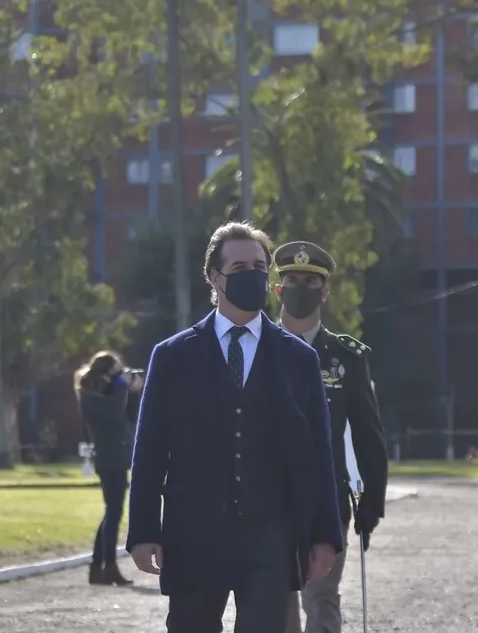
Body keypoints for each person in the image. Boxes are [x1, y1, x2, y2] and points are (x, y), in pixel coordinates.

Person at [126, 221, 344, 633]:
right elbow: (149, 450)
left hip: (270, 538)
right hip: (194, 534)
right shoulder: (173, 356)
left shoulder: (298, 359)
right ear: (214, 277)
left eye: (260, 267)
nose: (253, 275)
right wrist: (142, 530)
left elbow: (319, 453)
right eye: (240, 267)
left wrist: (324, 536)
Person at [273, 241, 388, 633]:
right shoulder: (256, 349)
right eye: (292, 280)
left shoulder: (347, 357)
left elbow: (369, 433)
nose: (300, 288)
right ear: (278, 290)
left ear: (324, 291)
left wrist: (372, 503)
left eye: (310, 282)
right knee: (274, 603)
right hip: (268, 500)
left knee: (321, 599)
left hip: (327, 501)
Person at [76, 350, 143, 587]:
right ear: (105, 373)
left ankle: (98, 567)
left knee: (111, 513)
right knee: (113, 512)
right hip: (108, 458)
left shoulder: (110, 393)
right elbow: (113, 414)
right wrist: (122, 386)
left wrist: (133, 391)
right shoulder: (89, 396)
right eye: (116, 373)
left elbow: (130, 417)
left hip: (118, 456)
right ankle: (109, 567)